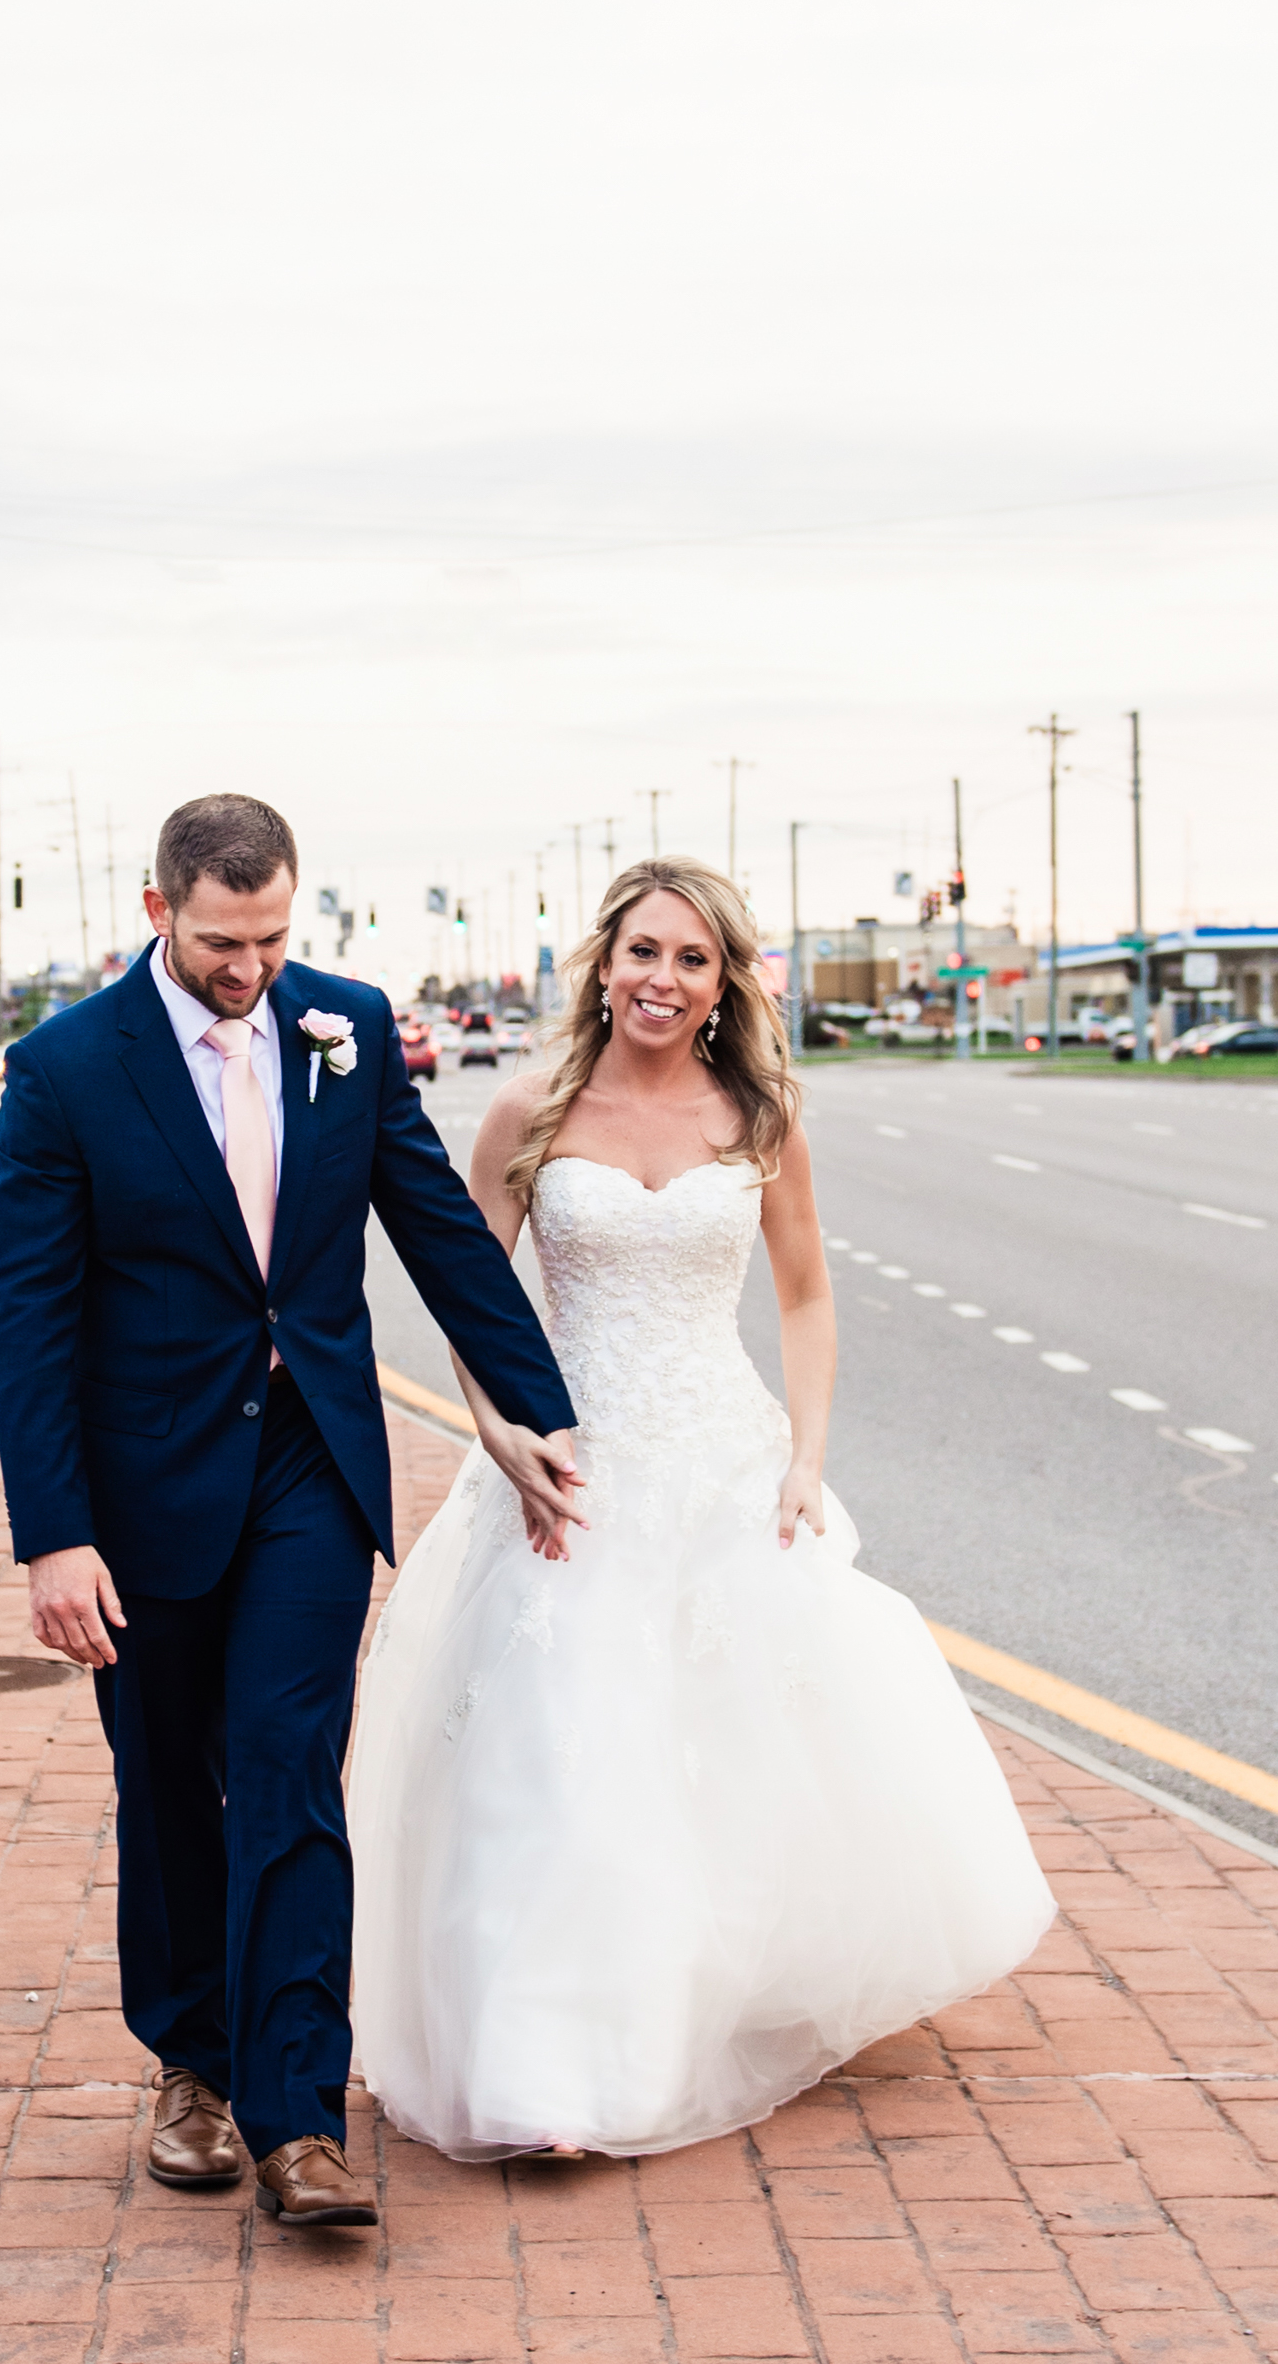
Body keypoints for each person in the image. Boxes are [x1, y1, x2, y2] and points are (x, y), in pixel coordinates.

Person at [348, 856, 1054, 2162]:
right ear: (601, 963)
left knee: (723, 1755)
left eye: (689, 959)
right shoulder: (527, 1113)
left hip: (725, 1455)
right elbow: (470, 1294)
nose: (659, 980)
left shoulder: (760, 1118)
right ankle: (552, 2071)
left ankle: (717, 1991)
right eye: (640, 953)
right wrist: (500, 1434)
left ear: (721, 981)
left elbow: (801, 1294)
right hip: (570, 1472)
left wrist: (803, 1453)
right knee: (559, 1755)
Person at [0, 794, 581, 2228]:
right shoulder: (65, 1070)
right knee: (172, 1781)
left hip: (309, 1458)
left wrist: (537, 1415)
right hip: (140, 1494)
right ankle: (190, 2063)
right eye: (220, 941)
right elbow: (27, 1316)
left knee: (290, 1767)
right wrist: (53, 1533)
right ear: (157, 914)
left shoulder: (348, 1026)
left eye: (271, 937)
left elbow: (435, 1224)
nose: (250, 968)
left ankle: (300, 2116)